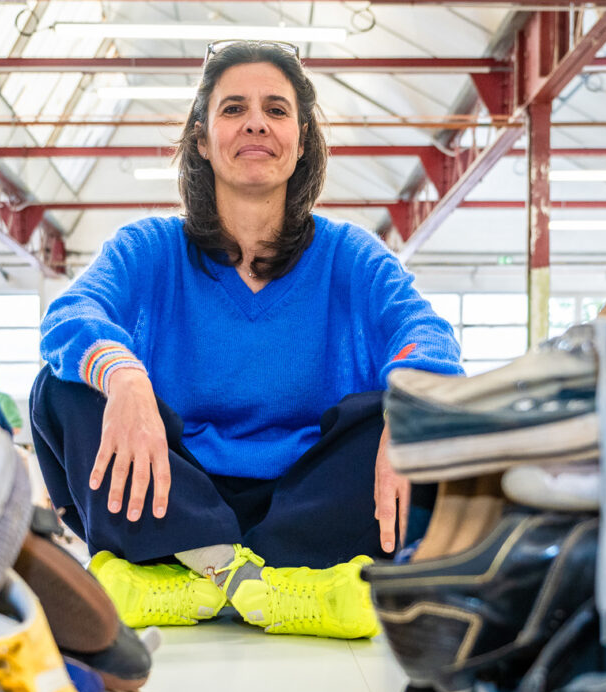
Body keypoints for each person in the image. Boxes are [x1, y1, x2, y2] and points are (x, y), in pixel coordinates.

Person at [31, 40, 462, 639]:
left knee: (413, 408)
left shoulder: (349, 254)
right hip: (176, 496)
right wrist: (123, 375)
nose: (256, 121)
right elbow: (72, 313)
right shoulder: (151, 247)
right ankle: (241, 573)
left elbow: (429, 336)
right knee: (62, 385)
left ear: (301, 141)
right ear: (202, 141)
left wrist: (410, 404)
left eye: (277, 110)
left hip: (308, 505)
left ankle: (200, 578)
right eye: (233, 108)